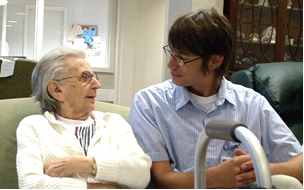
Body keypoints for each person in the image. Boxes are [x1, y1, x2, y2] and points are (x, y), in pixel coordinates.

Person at [128, 8, 303, 189]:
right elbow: (161, 180)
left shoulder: (252, 103)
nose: (170, 64)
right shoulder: (150, 103)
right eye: (171, 53)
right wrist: (213, 178)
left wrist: (259, 169)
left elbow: (300, 162)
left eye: (182, 59)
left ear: (215, 61)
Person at [16, 45, 152, 189]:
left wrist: (86, 165)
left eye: (94, 77)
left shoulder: (114, 123)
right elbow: (30, 185)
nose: (97, 84)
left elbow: (141, 175)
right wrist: (100, 188)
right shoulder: (33, 127)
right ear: (57, 90)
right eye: (85, 77)